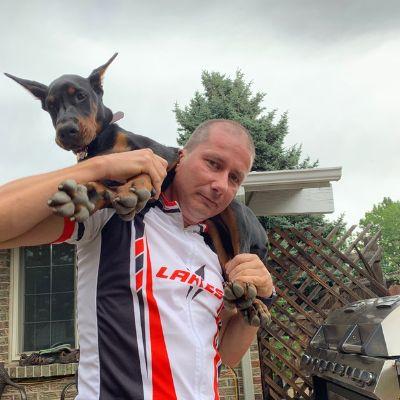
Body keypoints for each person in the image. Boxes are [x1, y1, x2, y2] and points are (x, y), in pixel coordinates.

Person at [0, 119, 273, 400]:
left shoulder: (216, 251)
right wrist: (98, 167)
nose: (221, 185)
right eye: (213, 164)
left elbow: (224, 355)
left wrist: (262, 297)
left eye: (234, 178)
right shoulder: (115, 211)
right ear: (181, 157)